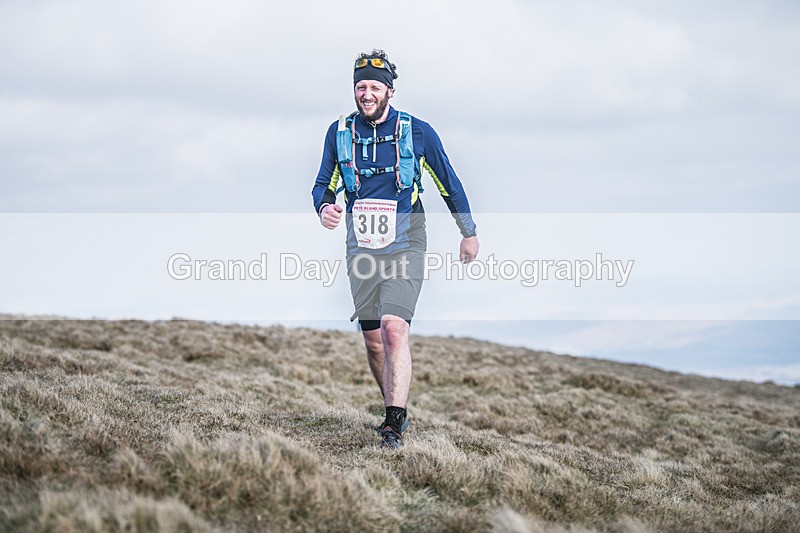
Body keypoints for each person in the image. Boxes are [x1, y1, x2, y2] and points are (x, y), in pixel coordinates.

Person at [311, 49, 479, 449]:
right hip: (361, 247)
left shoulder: (418, 132)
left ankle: (393, 422)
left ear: (390, 90)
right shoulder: (338, 133)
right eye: (360, 87)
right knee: (372, 340)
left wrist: (468, 231)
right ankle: (392, 405)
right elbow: (322, 183)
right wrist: (324, 207)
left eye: (374, 87)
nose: (366, 94)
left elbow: (447, 183)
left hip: (407, 241)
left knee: (394, 329)